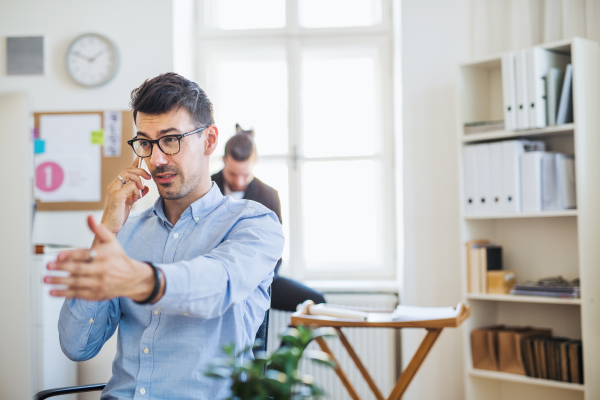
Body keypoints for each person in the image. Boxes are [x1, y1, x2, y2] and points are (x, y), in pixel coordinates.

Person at [44, 73, 284, 399]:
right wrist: (109, 231)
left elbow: (218, 283)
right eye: (146, 142)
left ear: (209, 140)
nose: (156, 159)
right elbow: (76, 346)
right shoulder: (125, 234)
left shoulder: (254, 224)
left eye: (170, 140)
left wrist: (142, 280)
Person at [212, 125, 325, 312]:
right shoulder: (206, 189)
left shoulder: (269, 196)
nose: (239, 182)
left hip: (259, 279)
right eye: (233, 174)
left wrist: (255, 280)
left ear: (255, 161)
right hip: (217, 278)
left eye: (245, 175)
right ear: (224, 160)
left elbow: (275, 250)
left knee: (316, 302)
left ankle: (288, 343)